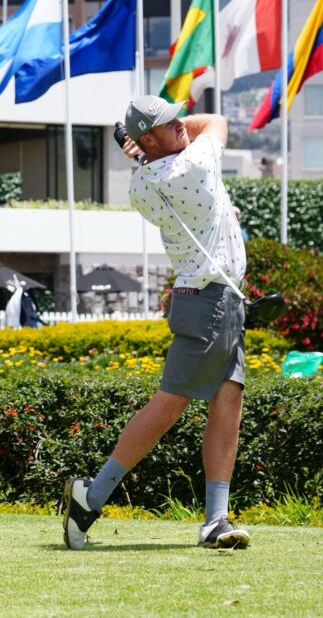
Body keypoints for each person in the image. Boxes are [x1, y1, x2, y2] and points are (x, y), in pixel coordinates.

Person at [62, 96, 250, 551]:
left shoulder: (142, 185)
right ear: (146, 137)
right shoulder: (195, 165)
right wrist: (151, 146)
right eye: (169, 122)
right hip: (210, 302)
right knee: (169, 405)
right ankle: (92, 495)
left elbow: (184, 142)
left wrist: (147, 149)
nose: (182, 123)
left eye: (178, 115)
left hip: (212, 299)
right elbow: (217, 120)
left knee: (228, 399)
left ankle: (215, 520)